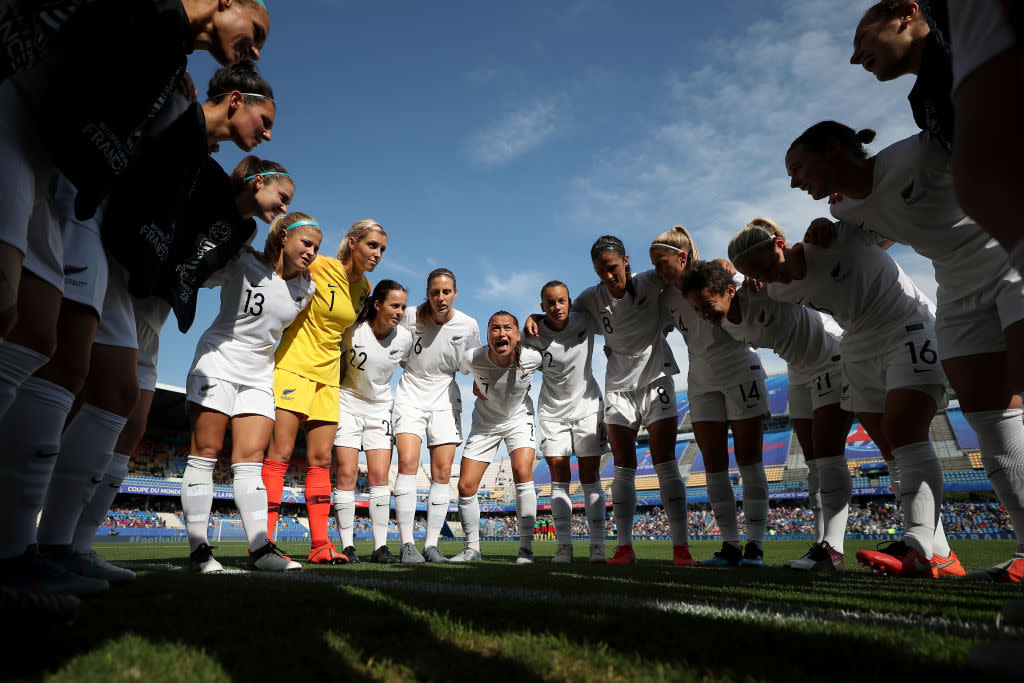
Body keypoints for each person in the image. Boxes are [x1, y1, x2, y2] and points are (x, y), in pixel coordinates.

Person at [791, 120, 1022, 578]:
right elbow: (881, 231)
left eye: (798, 167)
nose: (794, 181)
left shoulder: (916, 155)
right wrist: (827, 225)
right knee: (990, 420)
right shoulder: (846, 211)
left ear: (833, 149)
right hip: (955, 288)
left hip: (1009, 255)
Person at [728, 215, 949, 578]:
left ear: (779, 244)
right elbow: (730, 279)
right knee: (891, 444)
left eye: (770, 267)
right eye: (761, 275)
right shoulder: (777, 288)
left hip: (907, 327)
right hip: (858, 348)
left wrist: (836, 220)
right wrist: (755, 278)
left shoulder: (833, 239)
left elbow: (889, 223)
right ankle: (939, 551)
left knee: (904, 435)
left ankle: (920, 545)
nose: (771, 278)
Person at [679, 252, 852, 571]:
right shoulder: (726, 322)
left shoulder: (758, 288)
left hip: (831, 355)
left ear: (730, 291)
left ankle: (832, 551)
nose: (703, 315)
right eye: (697, 309)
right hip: (797, 370)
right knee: (815, 462)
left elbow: (780, 268)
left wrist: (750, 273)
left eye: (707, 305)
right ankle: (821, 548)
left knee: (828, 456)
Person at [527, 236, 688, 566]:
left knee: (664, 460)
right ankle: (624, 547)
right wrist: (534, 315)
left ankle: (681, 547)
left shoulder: (650, 281)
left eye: (612, 268)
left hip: (656, 378)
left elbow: (681, 272)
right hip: (617, 387)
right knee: (623, 467)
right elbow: (559, 317)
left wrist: (722, 269)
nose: (607, 276)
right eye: (600, 270)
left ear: (626, 261)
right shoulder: (590, 299)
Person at [180, 212, 319, 573]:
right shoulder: (242, 260)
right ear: (283, 238)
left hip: (259, 375)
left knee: (251, 462)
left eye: (316, 247)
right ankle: (199, 550)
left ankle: (260, 549)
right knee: (205, 453)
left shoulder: (308, 288)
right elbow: (199, 273)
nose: (311, 252)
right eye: (306, 242)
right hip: (218, 362)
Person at [262, 220, 385, 565]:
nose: (377, 254)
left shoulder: (365, 287)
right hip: (294, 366)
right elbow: (279, 269)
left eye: (382, 250)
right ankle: (263, 544)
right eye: (372, 246)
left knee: (321, 461)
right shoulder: (319, 265)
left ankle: (319, 545)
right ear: (352, 242)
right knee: (281, 454)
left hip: (329, 377)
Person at [648, 227, 769, 568]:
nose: (657, 270)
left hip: (741, 372)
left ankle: (755, 548)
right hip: (701, 383)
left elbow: (745, 286)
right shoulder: (665, 298)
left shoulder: (719, 275)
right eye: (654, 264)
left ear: (683, 257)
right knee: (714, 467)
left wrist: (750, 277)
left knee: (750, 462)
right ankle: (730, 546)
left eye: (662, 262)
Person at [392, 268, 480, 564]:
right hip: (410, 391)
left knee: (442, 473)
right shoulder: (410, 316)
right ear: (427, 293)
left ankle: (431, 545)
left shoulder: (468, 325)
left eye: (446, 292)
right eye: (434, 292)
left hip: (445, 395)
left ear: (455, 293)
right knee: (406, 463)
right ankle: (407, 545)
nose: (440, 297)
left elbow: (472, 364)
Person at [524, 281, 608, 564]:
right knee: (559, 478)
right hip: (552, 413)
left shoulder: (585, 317)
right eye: (550, 303)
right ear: (541, 307)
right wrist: (529, 321)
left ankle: (597, 545)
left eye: (561, 301)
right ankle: (565, 547)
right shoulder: (533, 334)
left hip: (587, 407)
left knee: (590, 477)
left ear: (569, 302)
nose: (556, 307)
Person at [450, 311, 543, 563]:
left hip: (518, 420)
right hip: (485, 423)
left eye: (507, 328)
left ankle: (526, 549)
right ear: (488, 334)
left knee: (523, 473)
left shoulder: (533, 357)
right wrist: (475, 385)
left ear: (517, 335)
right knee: (465, 486)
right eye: (494, 328)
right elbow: (460, 375)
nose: (501, 333)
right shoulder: (472, 358)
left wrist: (536, 315)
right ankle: (472, 548)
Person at [332, 280, 413, 565]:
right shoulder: (353, 330)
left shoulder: (404, 338)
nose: (400, 311)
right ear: (377, 305)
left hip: (380, 408)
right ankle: (347, 546)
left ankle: (380, 547)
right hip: (347, 403)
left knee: (380, 478)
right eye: (394, 305)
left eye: (403, 306)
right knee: (347, 475)